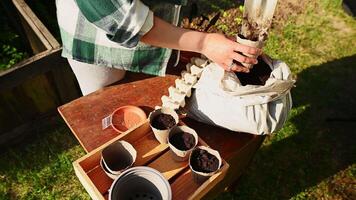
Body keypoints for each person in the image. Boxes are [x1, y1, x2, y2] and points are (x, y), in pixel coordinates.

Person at [56, 0, 261, 95]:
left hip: (149, 22)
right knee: (107, 109)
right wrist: (203, 43)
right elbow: (118, 18)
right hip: (94, 38)